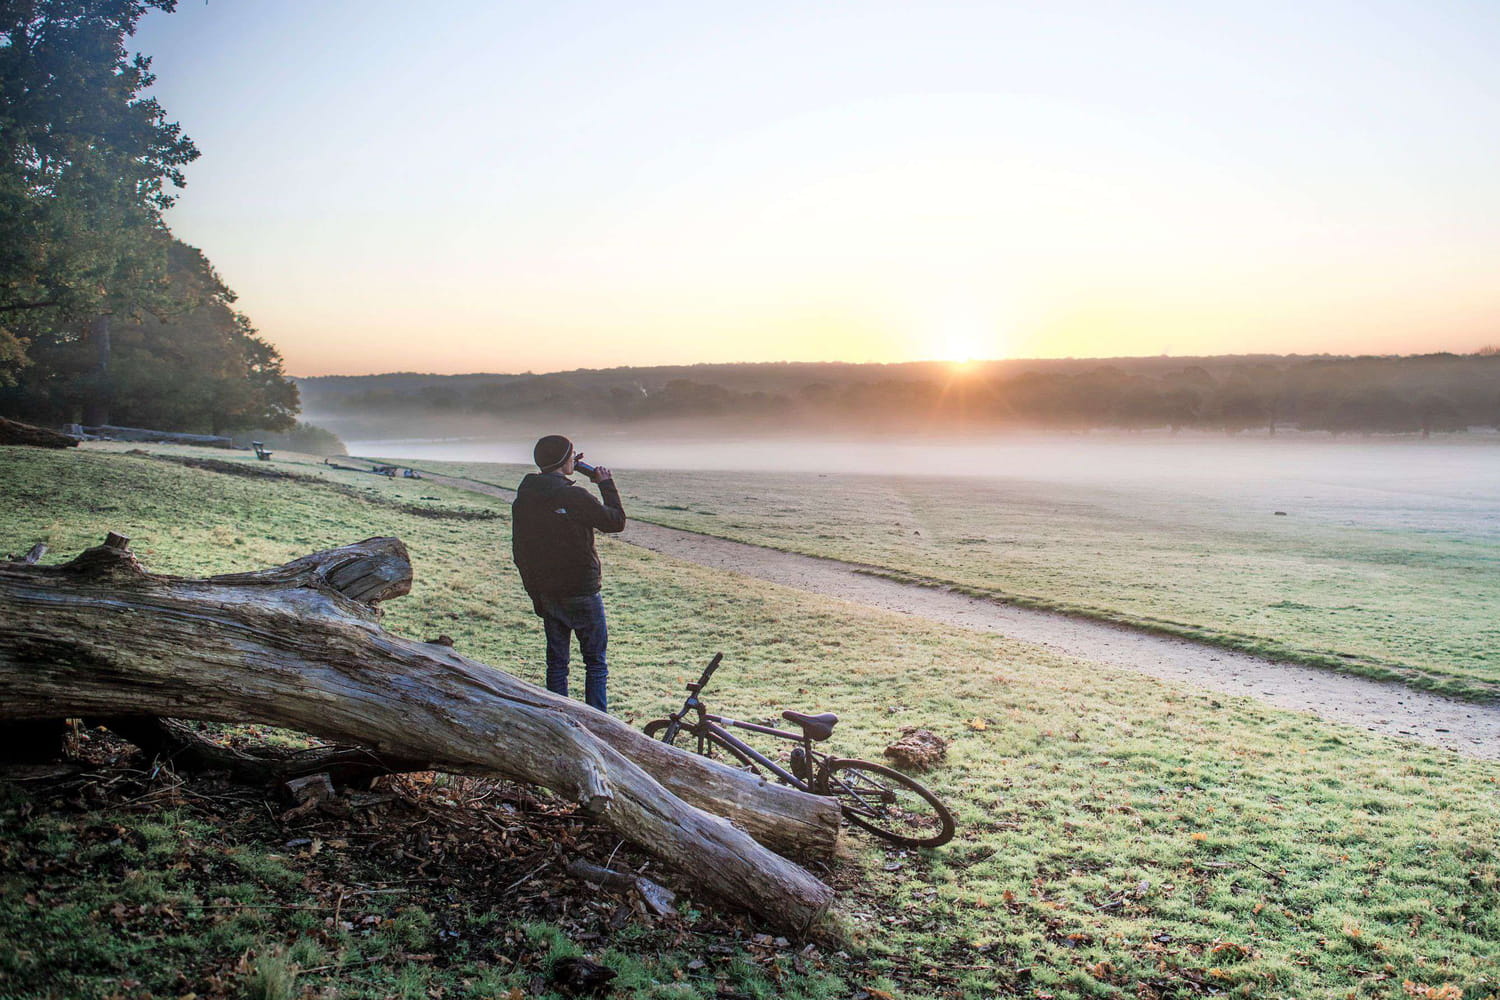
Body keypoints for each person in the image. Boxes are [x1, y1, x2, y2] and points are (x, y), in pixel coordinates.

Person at [511, 434, 626, 712]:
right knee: (595, 663)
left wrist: (535, 595)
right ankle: (600, 723)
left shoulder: (524, 498)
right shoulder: (572, 495)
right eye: (573, 454)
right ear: (564, 460)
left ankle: (557, 716)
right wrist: (606, 485)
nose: (576, 459)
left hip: (547, 591)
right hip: (582, 591)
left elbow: (520, 552)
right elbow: (615, 522)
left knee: (557, 664)